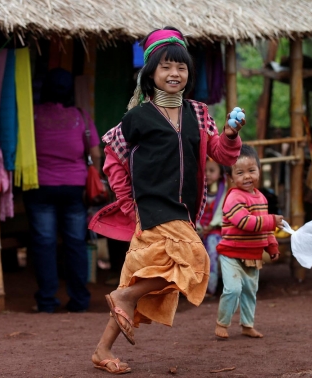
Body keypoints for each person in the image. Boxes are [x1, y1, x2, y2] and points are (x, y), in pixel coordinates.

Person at [89, 27, 243, 374]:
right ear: (150, 73)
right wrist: (129, 204)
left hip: (184, 208)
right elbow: (113, 158)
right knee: (198, 261)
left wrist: (231, 135)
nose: (175, 74)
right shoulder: (137, 117)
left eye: (182, 68)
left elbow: (221, 154)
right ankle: (125, 299)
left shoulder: (199, 113)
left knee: (136, 279)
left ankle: (102, 349)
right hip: (153, 208)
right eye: (166, 67)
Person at [23, 68, 101, 313]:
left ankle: (46, 301)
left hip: (40, 187)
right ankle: (79, 300)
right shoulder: (81, 116)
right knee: (75, 242)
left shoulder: (31, 116)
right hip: (74, 188)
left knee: (44, 243)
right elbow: (96, 155)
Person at [214, 144, 284, 339]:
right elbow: (245, 222)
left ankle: (247, 324)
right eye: (240, 172)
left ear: (259, 171)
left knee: (250, 291)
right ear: (231, 177)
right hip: (231, 254)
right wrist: (271, 220)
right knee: (233, 289)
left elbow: (264, 228)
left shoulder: (261, 198)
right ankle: (222, 322)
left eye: (251, 170)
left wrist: (272, 245)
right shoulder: (233, 198)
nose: (247, 176)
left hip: (252, 255)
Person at [196, 158, 227, 297]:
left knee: (212, 250)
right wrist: (199, 227)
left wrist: (211, 226)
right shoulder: (196, 189)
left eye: (212, 170)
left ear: (220, 173)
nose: (207, 174)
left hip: (216, 231)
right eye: (205, 170)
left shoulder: (225, 191)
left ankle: (210, 288)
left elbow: (222, 213)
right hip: (197, 230)